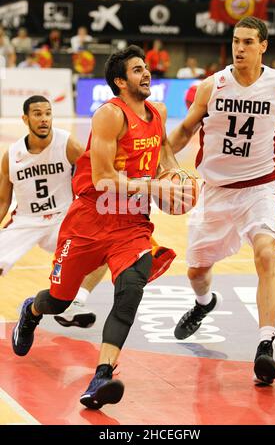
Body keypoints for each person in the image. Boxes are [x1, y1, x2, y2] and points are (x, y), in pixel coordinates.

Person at [11, 45, 189, 409]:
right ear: (121, 82)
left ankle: (102, 376)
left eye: (145, 68)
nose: (146, 74)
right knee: (58, 300)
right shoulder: (109, 115)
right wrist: (154, 186)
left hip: (132, 222)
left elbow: (164, 149)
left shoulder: (158, 111)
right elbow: (105, 178)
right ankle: (30, 311)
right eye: (137, 70)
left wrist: (174, 174)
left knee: (131, 290)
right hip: (90, 218)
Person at [169, 16, 275, 385]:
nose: (239, 48)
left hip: (260, 189)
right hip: (215, 193)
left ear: (263, 46)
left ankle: (264, 345)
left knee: (265, 253)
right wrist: (160, 162)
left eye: (247, 42)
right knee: (196, 269)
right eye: (235, 41)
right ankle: (205, 302)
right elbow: (183, 131)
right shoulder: (214, 86)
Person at [0, 95, 106, 328]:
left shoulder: (67, 144)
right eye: (37, 114)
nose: (44, 119)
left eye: (48, 113)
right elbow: (2, 201)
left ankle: (77, 302)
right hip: (26, 220)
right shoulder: (12, 155)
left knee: (103, 250)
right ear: (25, 118)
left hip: (63, 217)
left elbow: (96, 174)